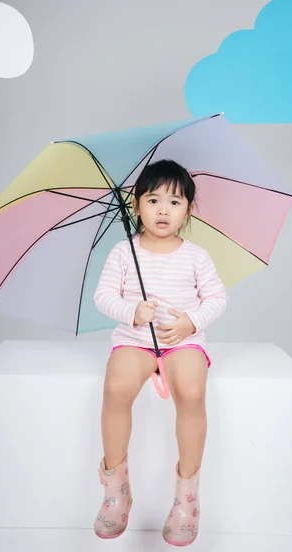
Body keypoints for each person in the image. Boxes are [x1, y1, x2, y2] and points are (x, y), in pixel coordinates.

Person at [93, 159, 227, 546]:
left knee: (192, 392)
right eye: (153, 200)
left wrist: (192, 323)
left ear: (188, 209)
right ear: (136, 206)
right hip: (134, 341)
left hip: (181, 341)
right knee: (116, 388)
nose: (163, 210)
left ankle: (187, 496)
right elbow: (104, 296)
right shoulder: (124, 252)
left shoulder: (196, 256)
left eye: (175, 201)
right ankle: (116, 486)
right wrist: (131, 311)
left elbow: (218, 298)